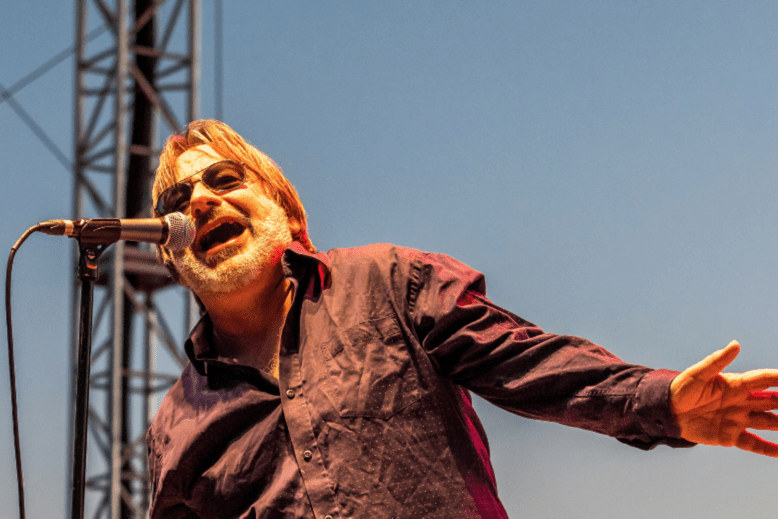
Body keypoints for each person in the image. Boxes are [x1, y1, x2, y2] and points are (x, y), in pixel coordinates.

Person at [146, 119, 778, 519]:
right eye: (179, 200)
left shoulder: (389, 282)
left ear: (286, 210)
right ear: (171, 254)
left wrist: (661, 400)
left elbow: (533, 363)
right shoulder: (177, 425)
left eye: (226, 180)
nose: (201, 201)